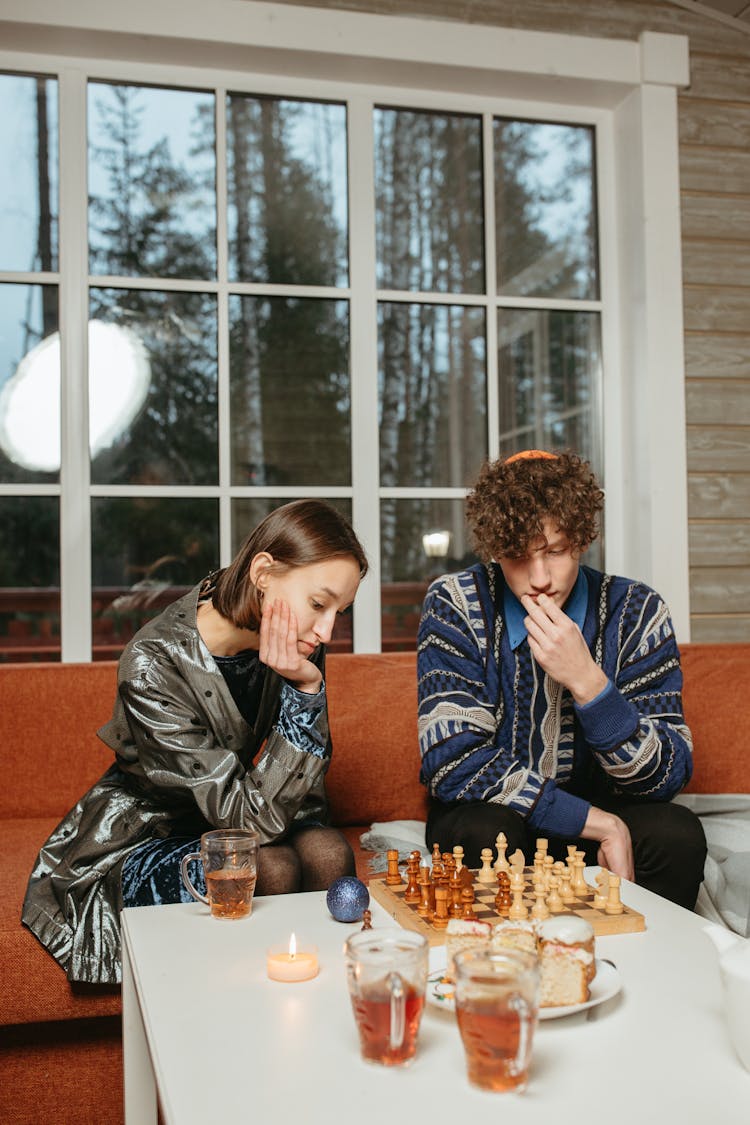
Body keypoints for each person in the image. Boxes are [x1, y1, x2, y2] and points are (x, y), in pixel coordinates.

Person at [23, 500, 367, 984]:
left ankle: (321, 1010)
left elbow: (298, 787)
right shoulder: (152, 662)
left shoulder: (296, 641)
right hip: (152, 835)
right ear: (264, 572)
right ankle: (241, 1021)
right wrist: (306, 696)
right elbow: (245, 820)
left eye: (340, 611)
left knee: (329, 853)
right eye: (318, 603)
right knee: (269, 867)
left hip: (248, 811)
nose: (328, 629)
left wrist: (302, 687)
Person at [417, 450, 706, 911]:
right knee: (482, 832)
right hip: (497, 816)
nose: (539, 579)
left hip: (604, 805)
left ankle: (644, 972)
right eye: (517, 556)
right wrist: (597, 823)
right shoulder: (455, 603)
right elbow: (451, 762)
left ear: (581, 539)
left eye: (555, 552)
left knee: (677, 835)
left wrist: (590, 684)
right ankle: (500, 974)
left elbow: (667, 775)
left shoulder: (638, 611)